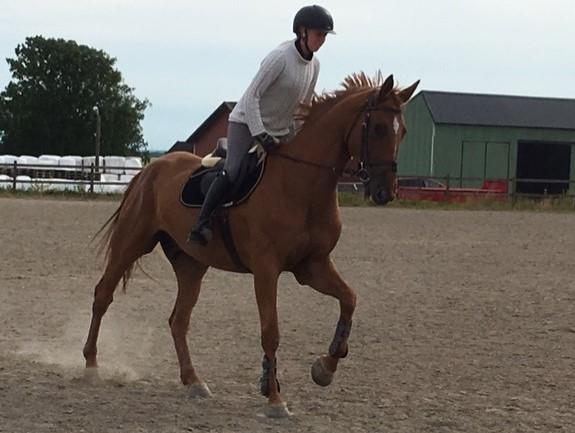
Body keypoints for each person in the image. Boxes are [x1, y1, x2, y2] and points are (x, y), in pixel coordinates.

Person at [188, 5, 334, 245]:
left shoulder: (314, 66)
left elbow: (303, 106)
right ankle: (200, 223)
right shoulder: (280, 58)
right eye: (319, 34)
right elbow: (252, 96)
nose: (322, 40)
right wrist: (260, 133)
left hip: (280, 130)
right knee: (233, 171)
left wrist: (300, 136)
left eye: (324, 35)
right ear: (302, 31)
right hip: (246, 123)